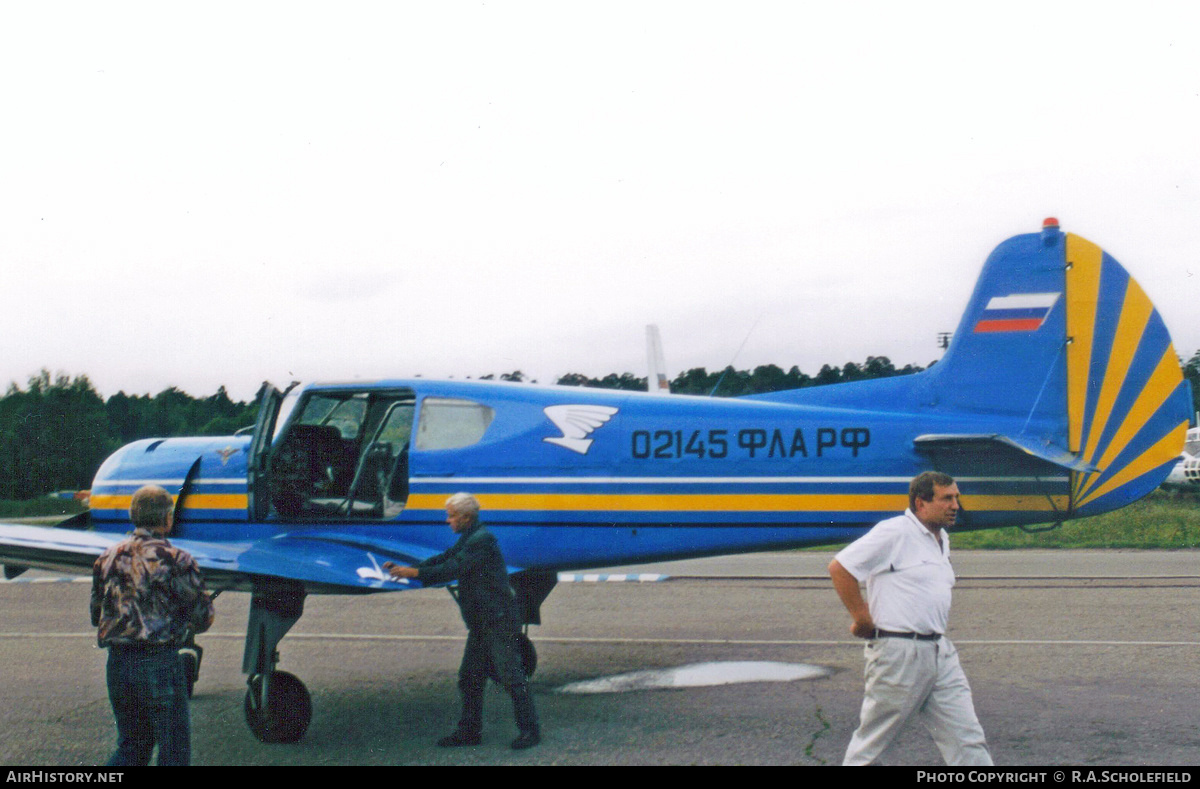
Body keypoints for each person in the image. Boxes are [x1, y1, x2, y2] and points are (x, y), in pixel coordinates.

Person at [828, 471, 992, 766]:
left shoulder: (941, 538)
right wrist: (862, 619)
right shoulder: (895, 532)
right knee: (873, 745)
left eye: (956, 497)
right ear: (921, 502)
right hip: (899, 653)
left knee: (966, 737)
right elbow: (841, 568)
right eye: (946, 499)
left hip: (939, 651)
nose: (956, 505)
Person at [385, 493, 540, 750]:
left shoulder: (482, 540)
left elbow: (453, 567)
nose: (448, 521)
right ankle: (469, 732)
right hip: (483, 622)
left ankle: (530, 731)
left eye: (451, 515)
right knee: (469, 678)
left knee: (511, 677)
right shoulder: (471, 537)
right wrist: (410, 567)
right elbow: (444, 558)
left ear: (466, 517)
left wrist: (415, 573)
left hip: (498, 622)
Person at [90, 485, 216, 766]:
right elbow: (203, 618)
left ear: (133, 515)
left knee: (132, 747)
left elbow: (96, 613)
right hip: (159, 664)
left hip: (118, 665)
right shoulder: (178, 560)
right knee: (174, 752)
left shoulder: (106, 558)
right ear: (168, 518)